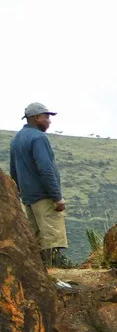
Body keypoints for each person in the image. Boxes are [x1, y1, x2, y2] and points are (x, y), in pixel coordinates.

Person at [9, 102, 70, 268]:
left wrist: (19, 194)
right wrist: (57, 197)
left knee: (36, 239)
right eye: (47, 117)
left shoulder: (16, 139)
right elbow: (45, 168)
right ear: (37, 118)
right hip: (44, 197)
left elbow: (13, 171)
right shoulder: (39, 138)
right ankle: (54, 274)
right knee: (53, 238)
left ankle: (40, 273)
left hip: (28, 198)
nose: (49, 121)